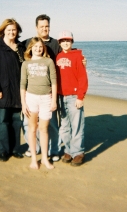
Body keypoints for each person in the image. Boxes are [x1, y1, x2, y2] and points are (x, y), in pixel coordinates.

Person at [0, 18, 26, 162]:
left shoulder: (21, 47)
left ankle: (15, 149)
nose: (11, 32)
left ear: (18, 31)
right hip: (2, 92)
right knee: (3, 121)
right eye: (8, 30)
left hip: (18, 92)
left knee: (16, 121)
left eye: (14, 30)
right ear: (3, 31)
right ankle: (3, 151)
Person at [22, 14, 61, 161]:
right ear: (36, 28)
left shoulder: (56, 44)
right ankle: (34, 148)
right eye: (41, 26)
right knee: (29, 123)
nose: (44, 29)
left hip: (48, 93)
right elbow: (15, 51)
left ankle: (54, 150)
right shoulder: (28, 43)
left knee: (51, 124)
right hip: (32, 93)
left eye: (47, 26)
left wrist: (81, 59)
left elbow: (68, 53)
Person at [20, 37, 57, 169]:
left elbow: (53, 82)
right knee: (32, 129)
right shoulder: (26, 64)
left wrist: (53, 100)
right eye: (35, 46)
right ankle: (34, 159)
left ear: (43, 48)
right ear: (30, 48)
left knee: (43, 129)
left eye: (40, 47)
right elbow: (23, 84)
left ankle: (45, 159)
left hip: (46, 98)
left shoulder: (48, 61)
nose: (38, 49)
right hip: (31, 99)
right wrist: (23, 104)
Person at [56, 30, 88, 167]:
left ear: (72, 42)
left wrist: (80, 97)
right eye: (62, 41)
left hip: (74, 96)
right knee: (64, 127)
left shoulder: (77, 56)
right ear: (59, 43)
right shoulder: (57, 57)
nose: (65, 43)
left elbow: (83, 78)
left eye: (68, 40)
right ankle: (68, 149)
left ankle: (78, 152)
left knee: (77, 125)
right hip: (60, 96)